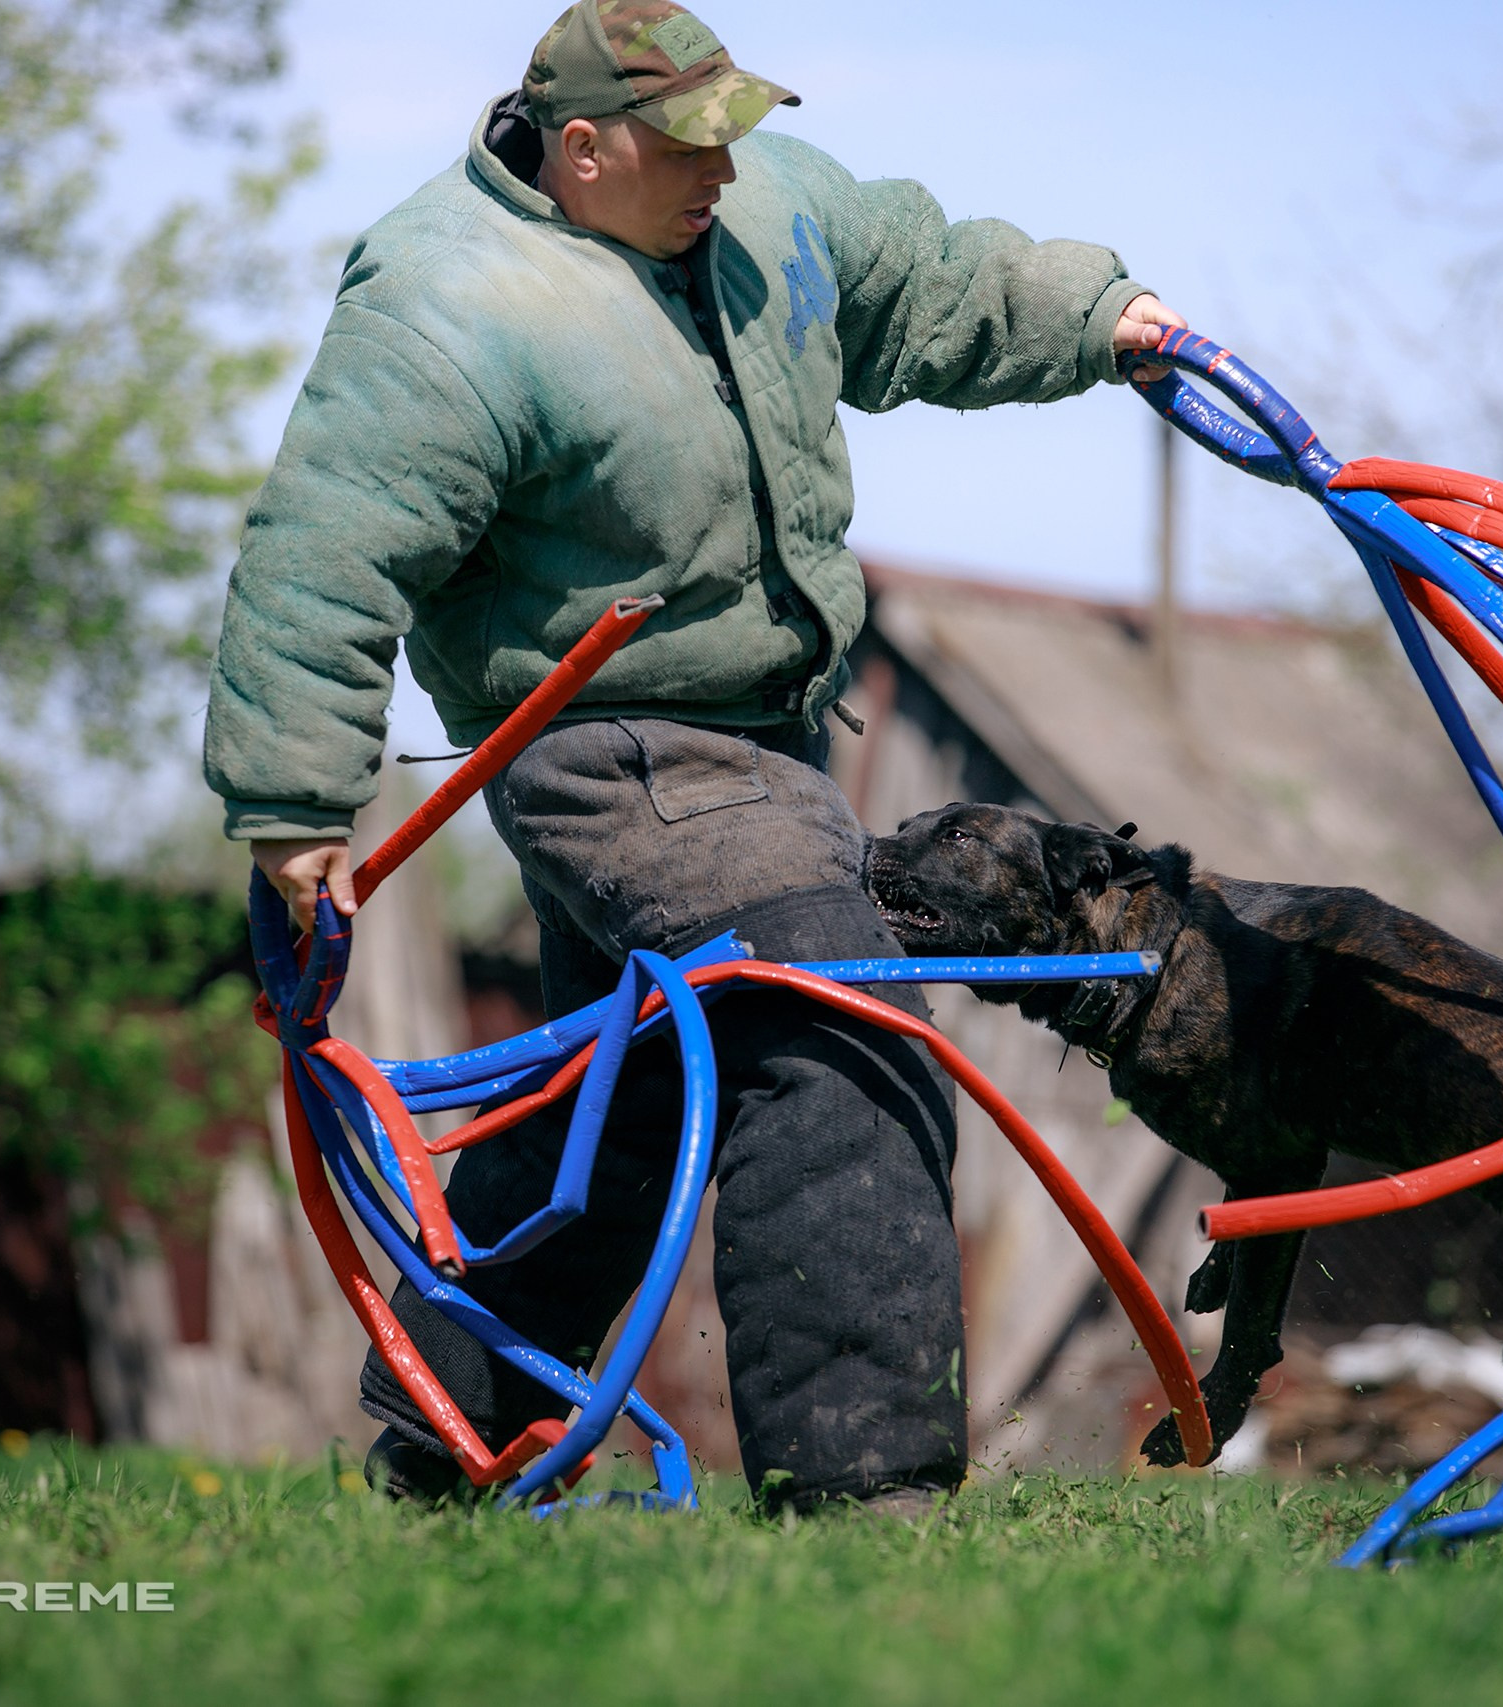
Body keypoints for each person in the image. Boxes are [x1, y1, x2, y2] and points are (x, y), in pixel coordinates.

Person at [204, 0, 1186, 1514]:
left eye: (735, 133)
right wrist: (290, 809)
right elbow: (324, 561)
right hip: (607, 750)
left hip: (777, 746)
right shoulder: (450, 308)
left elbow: (922, 280)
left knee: (630, 1100)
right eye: (687, 145)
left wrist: (1100, 319)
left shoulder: (758, 205)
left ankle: (443, 1448)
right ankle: (867, 1496)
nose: (724, 171)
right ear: (581, 150)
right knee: (837, 1012)